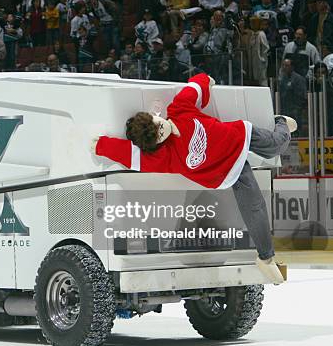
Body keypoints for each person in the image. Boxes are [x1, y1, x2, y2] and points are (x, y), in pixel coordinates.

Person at [93, 73, 294, 284]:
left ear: (156, 116)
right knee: (254, 207)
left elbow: (194, 88)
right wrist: (101, 145)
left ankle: (281, 123)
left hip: (238, 135)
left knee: (276, 146)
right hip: (230, 171)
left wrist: (206, 79)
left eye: (159, 125)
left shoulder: (178, 109)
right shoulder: (164, 156)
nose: (163, 130)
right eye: (159, 135)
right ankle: (266, 256)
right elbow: (130, 154)